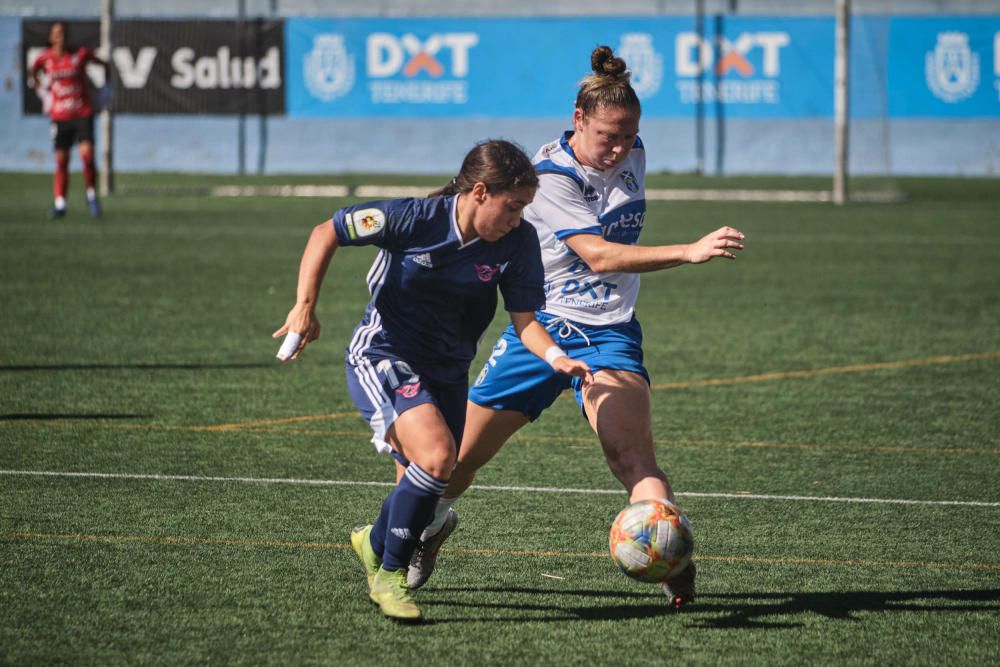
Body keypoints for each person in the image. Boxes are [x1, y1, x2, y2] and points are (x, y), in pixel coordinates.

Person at [408, 46, 746, 608]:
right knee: (456, 460)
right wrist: (689, 251)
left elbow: (611, 249)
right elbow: (600, 256)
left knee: (631, 457)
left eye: (628, 134)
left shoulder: (632, 151)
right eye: (607, 136)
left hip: (610, 333)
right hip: (538, 332)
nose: (618, 149)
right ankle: (431, 526)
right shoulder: (552, 177)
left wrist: (623, 148)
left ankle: (672, 556)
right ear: (578, 118)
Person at [273, 139, 593, 622]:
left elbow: (525, 320)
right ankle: (389, 576)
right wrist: (304, 306)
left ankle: (374, 541)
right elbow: (327, 231)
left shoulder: (519, 241)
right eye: (513, 206)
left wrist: (555, 356)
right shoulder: (413, 218)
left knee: (428, 475)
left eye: (525, 207)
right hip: (384, 354)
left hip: (449, 372)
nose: (518, 218)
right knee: (439, 456)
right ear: (480, 192)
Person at [28, 21, 108, 219]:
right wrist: (43, 93)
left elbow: (105, 65)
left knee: (87, 156)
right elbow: (33, 72)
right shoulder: (45, 59)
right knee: (61, 160)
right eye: (56, 33)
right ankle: (60, 203)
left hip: (82, 112)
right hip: (60, 115)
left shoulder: (80, 54)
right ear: (51, 37)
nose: (60, 36)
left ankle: (91, 196)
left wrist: (104, 93)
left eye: (63, 32)